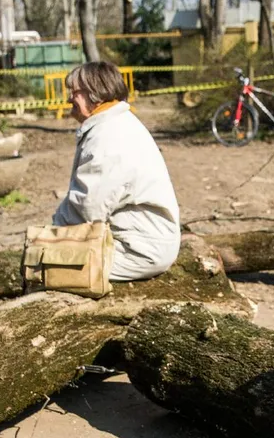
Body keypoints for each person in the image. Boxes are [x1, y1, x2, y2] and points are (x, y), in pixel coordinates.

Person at [52, 61, 181, 281]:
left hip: (137, 250)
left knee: (48, 266)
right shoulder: (112, 124)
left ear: (95, 94)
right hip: (140, 240)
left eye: (74, 92)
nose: (69, 98)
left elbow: (88, 207)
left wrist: (53, 233)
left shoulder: (108, 137)